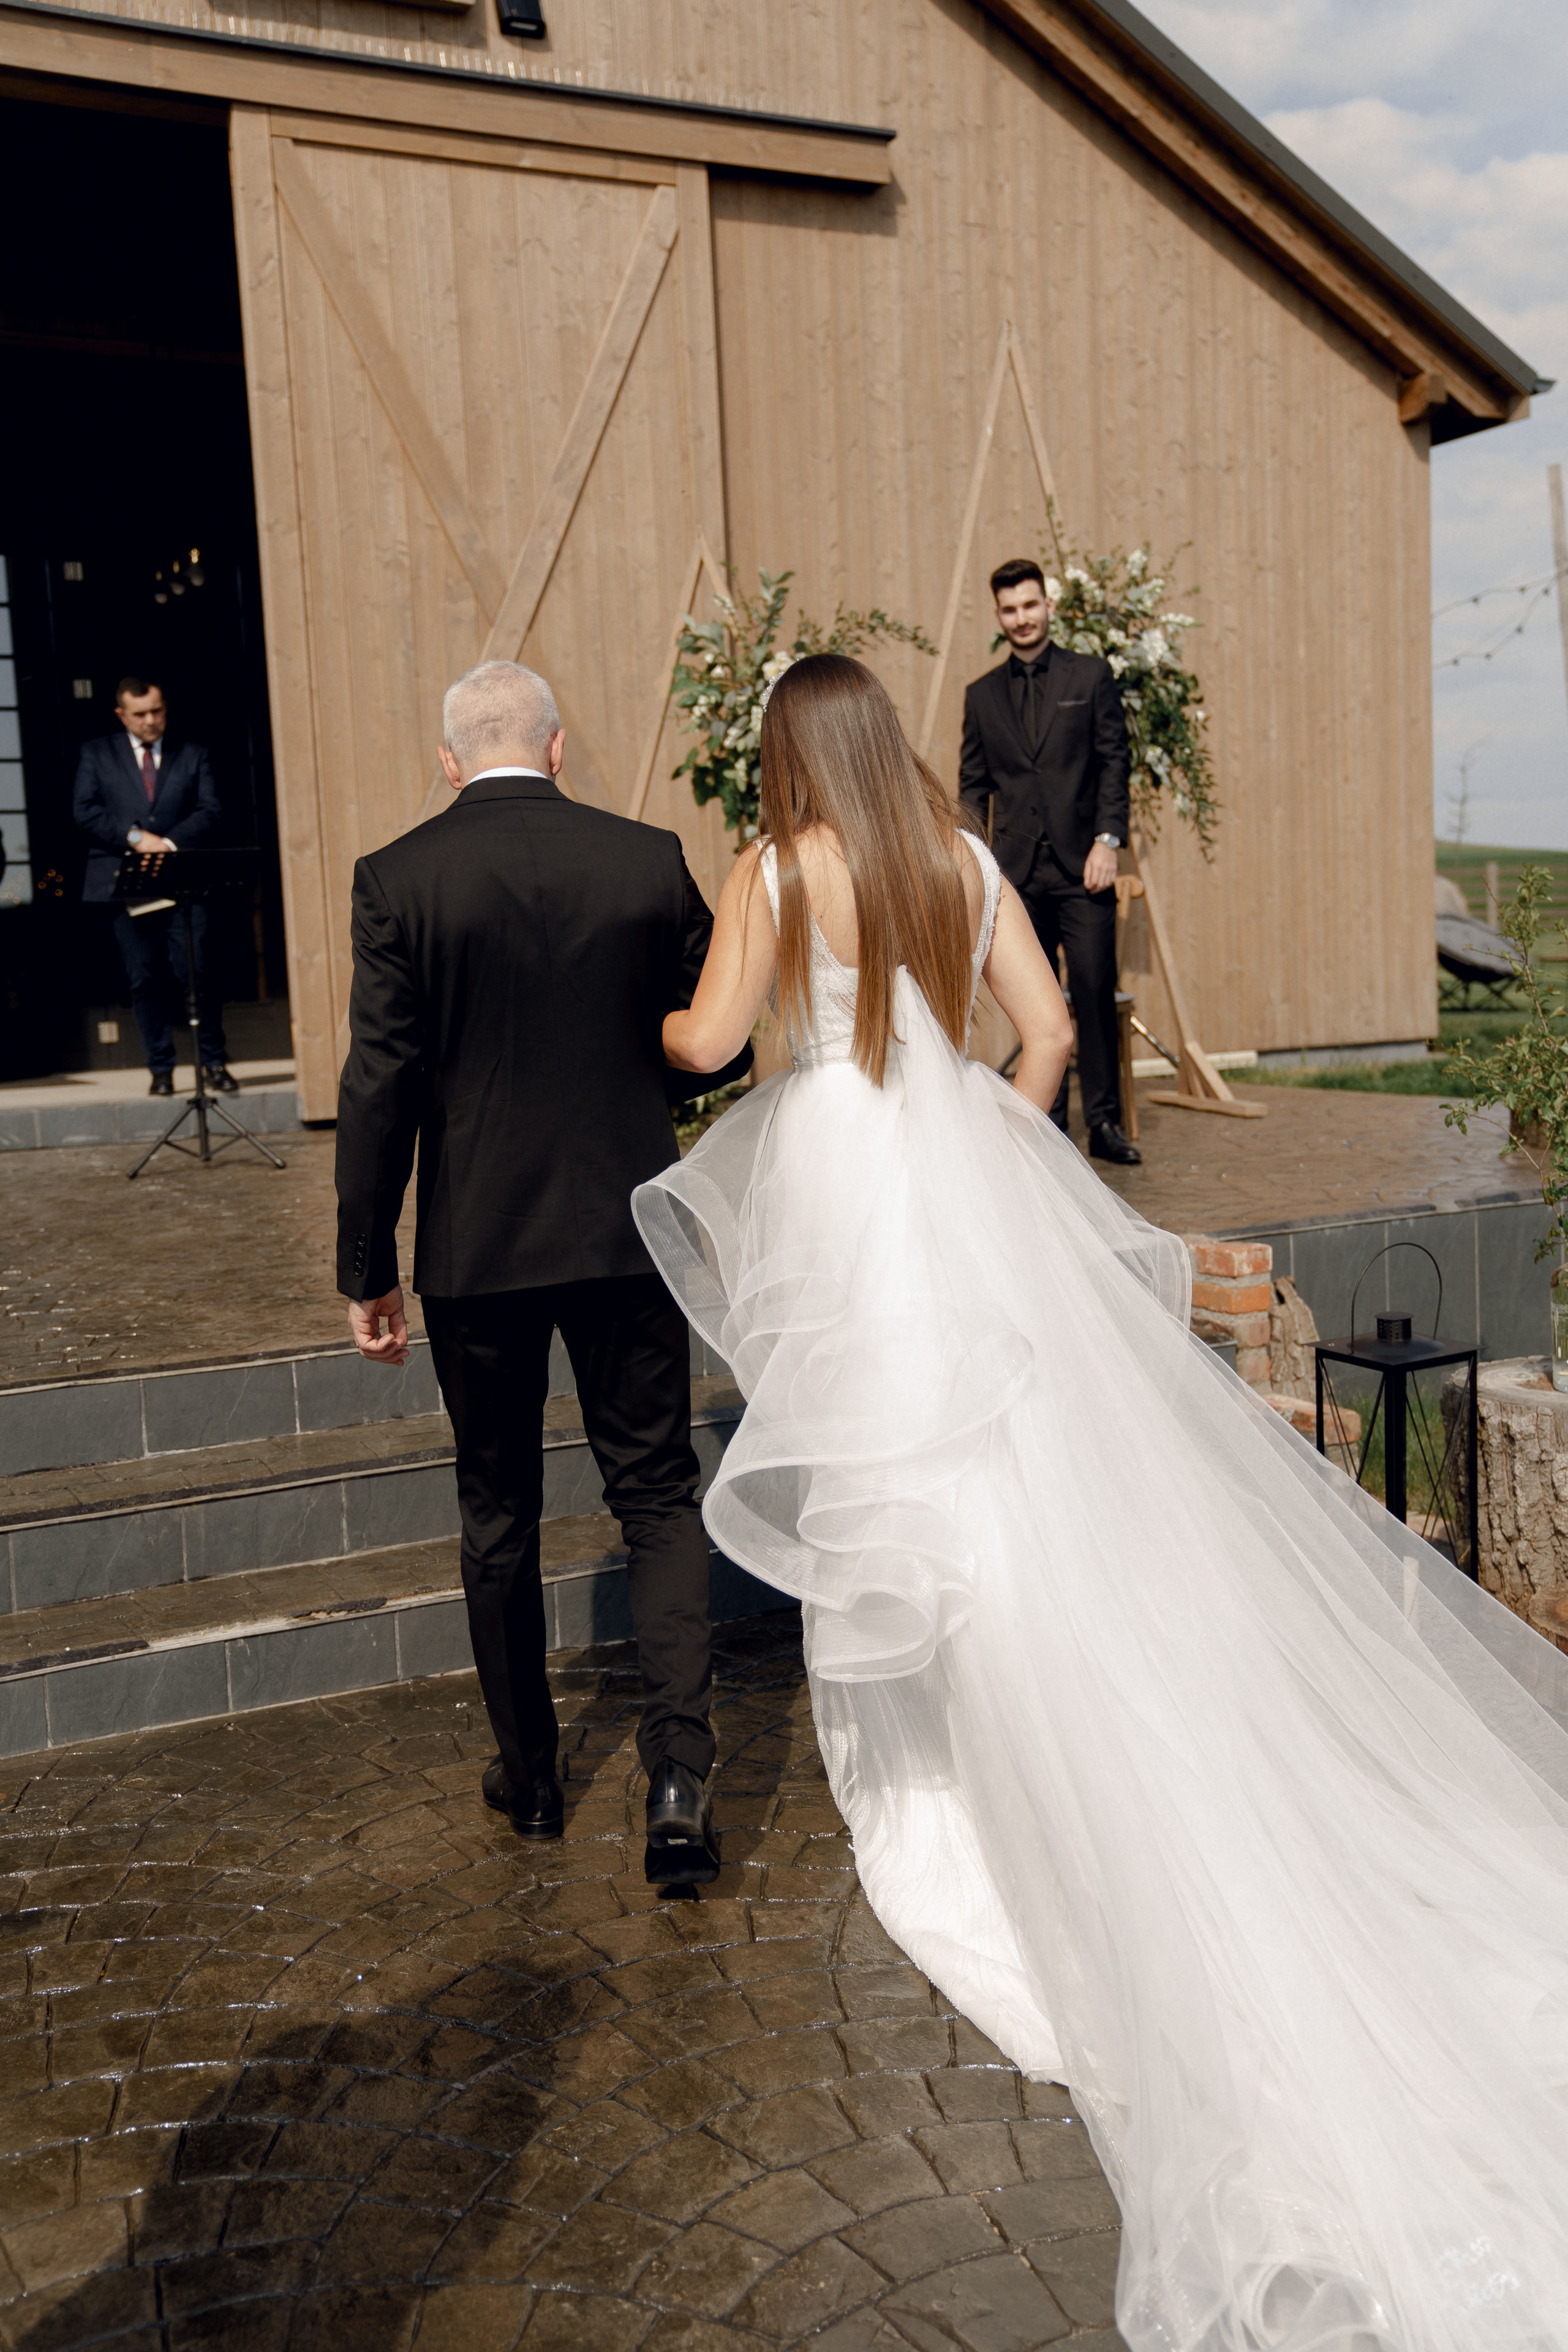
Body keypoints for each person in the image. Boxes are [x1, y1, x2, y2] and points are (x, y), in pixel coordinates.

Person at [636, 651, 1568, 2352]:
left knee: (894, 1471)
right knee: (1013, 1472)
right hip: (961, 1176)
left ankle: (959, 1778)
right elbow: (1053, 1029)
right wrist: (984, 1142)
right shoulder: (961, 854)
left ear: (784, 756)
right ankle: (1068, 1718)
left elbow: (706, 1039)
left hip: (846, 1181)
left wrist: (662, 994)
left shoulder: (777, 869)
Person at [334, 659, 749, 1883]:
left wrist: (369, 1263)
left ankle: (528, 1784)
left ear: (451, 761)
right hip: (623, 1231)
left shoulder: (398, 881)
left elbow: (378, 1087)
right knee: (658, 1496)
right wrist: (639, 1095)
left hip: (478, 1247)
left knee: (496, 1514)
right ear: (558, 748)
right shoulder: (643, 859)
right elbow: (712, 1045)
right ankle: (677, 1776)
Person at [960, 557, 1140, 1164]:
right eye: (1009, 610)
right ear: (998, 616)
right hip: (1014, 877)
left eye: (1030, 605)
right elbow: (971, 788)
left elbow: (1115, 762)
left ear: (1047, 606)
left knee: (1091, 992)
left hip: (1080, 868)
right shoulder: (980, 696)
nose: (1021, 618)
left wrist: (1108, 840)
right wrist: (974, 863)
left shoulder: (1090, 677)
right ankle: (1048, 1127)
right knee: (1034, 1001)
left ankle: (1106, 1124)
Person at [72, 676, 236, 1096]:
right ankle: (161, 1068)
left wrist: (167, 844)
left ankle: (213, 1063)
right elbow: (85, 810)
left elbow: (211, 809)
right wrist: (135, 838)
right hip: (127, 884)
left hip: (184, 880)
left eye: (157, 711)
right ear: (121, 714)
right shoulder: (96, 753)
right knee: (143, 977)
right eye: (140, 714)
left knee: (196, 972)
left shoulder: (194, 754)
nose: (151, 721)